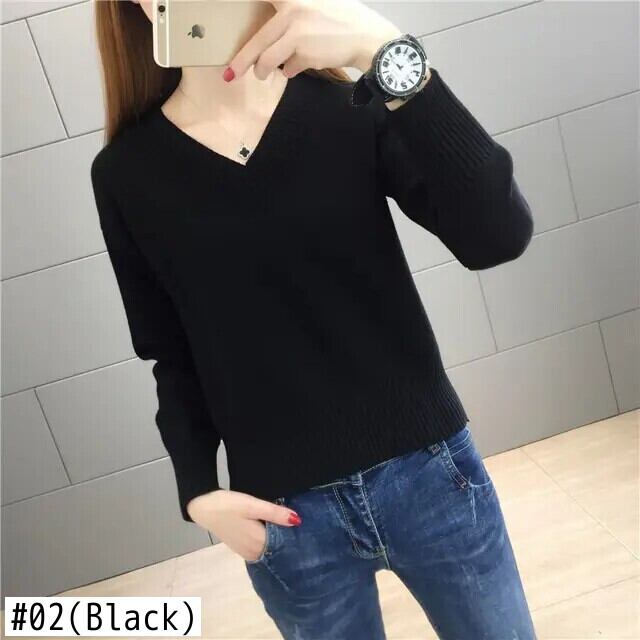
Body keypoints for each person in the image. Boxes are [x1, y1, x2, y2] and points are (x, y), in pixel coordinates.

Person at [90, 0, 537, 637]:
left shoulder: (347, 107)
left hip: (430, 475)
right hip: (288, 523)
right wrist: (197, 491)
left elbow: (498, 235)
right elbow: (170, 349)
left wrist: (388, 52)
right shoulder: (126, 175)